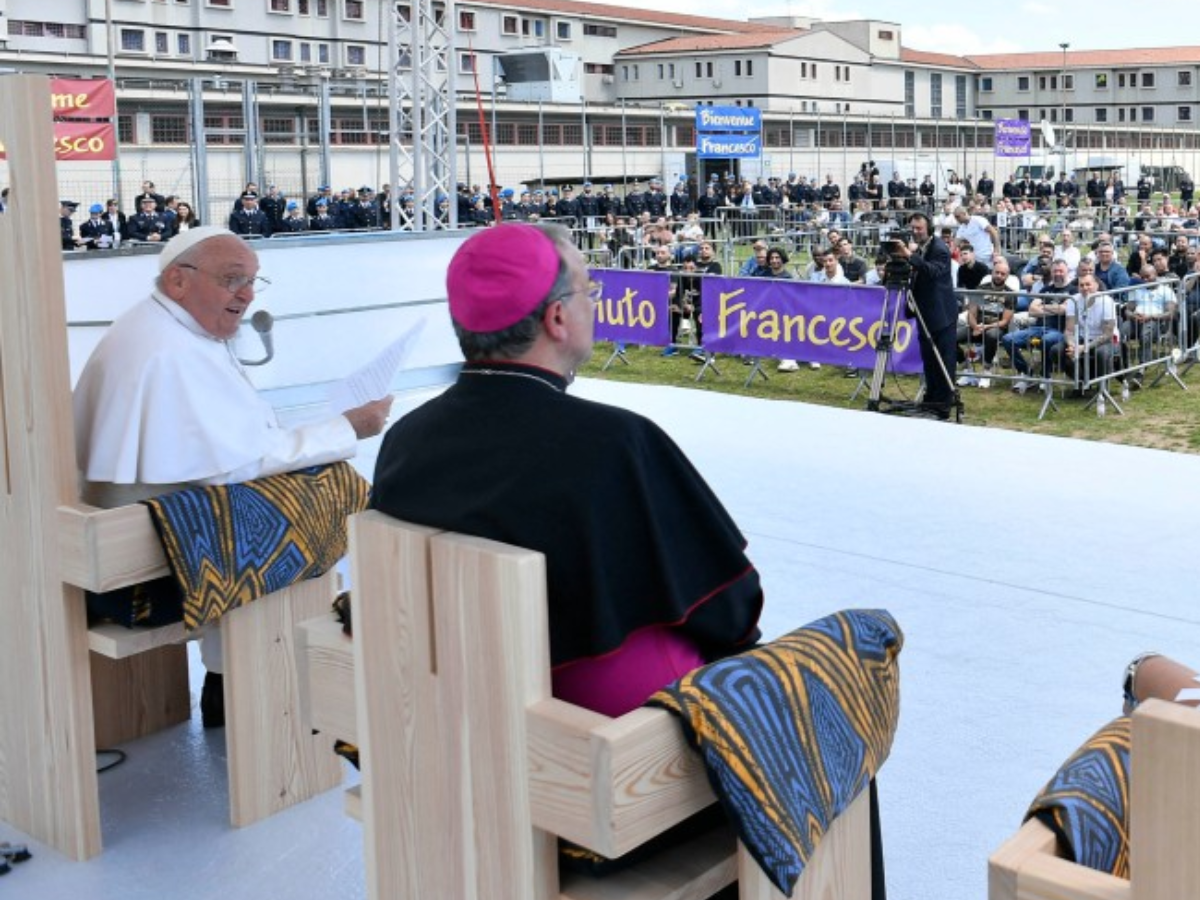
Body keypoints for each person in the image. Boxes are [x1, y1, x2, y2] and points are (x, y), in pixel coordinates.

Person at [369, 222, 763, 718]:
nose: (593, 302)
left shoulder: (405, 438)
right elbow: (729, 608)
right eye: (588, 290)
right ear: (557, 318)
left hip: (446, 702)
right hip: (580, 723)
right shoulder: (615, 442)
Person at [73, 226, 393, 726]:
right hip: (146, 578)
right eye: (232, 279)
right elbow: (239, 464)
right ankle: (256, 689)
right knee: (327, 496)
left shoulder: (159, 326)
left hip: (125, 553)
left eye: (251, 282)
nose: (245, 295)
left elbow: (225, 451)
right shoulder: (169, 350)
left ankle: (232, 679)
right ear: (178, 281)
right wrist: (347, 427)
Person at [893, 211, 959, 419]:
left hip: (941, 315)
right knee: (929, 361)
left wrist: (910, 256)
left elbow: (932, 271)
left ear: (928, 228)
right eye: (912, 228)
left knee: (943, 361)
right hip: (924, 314)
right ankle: (930, 399)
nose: (915, 232)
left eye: (919, 228)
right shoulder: (921, 248)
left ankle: (944, 404)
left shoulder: (939, 249)